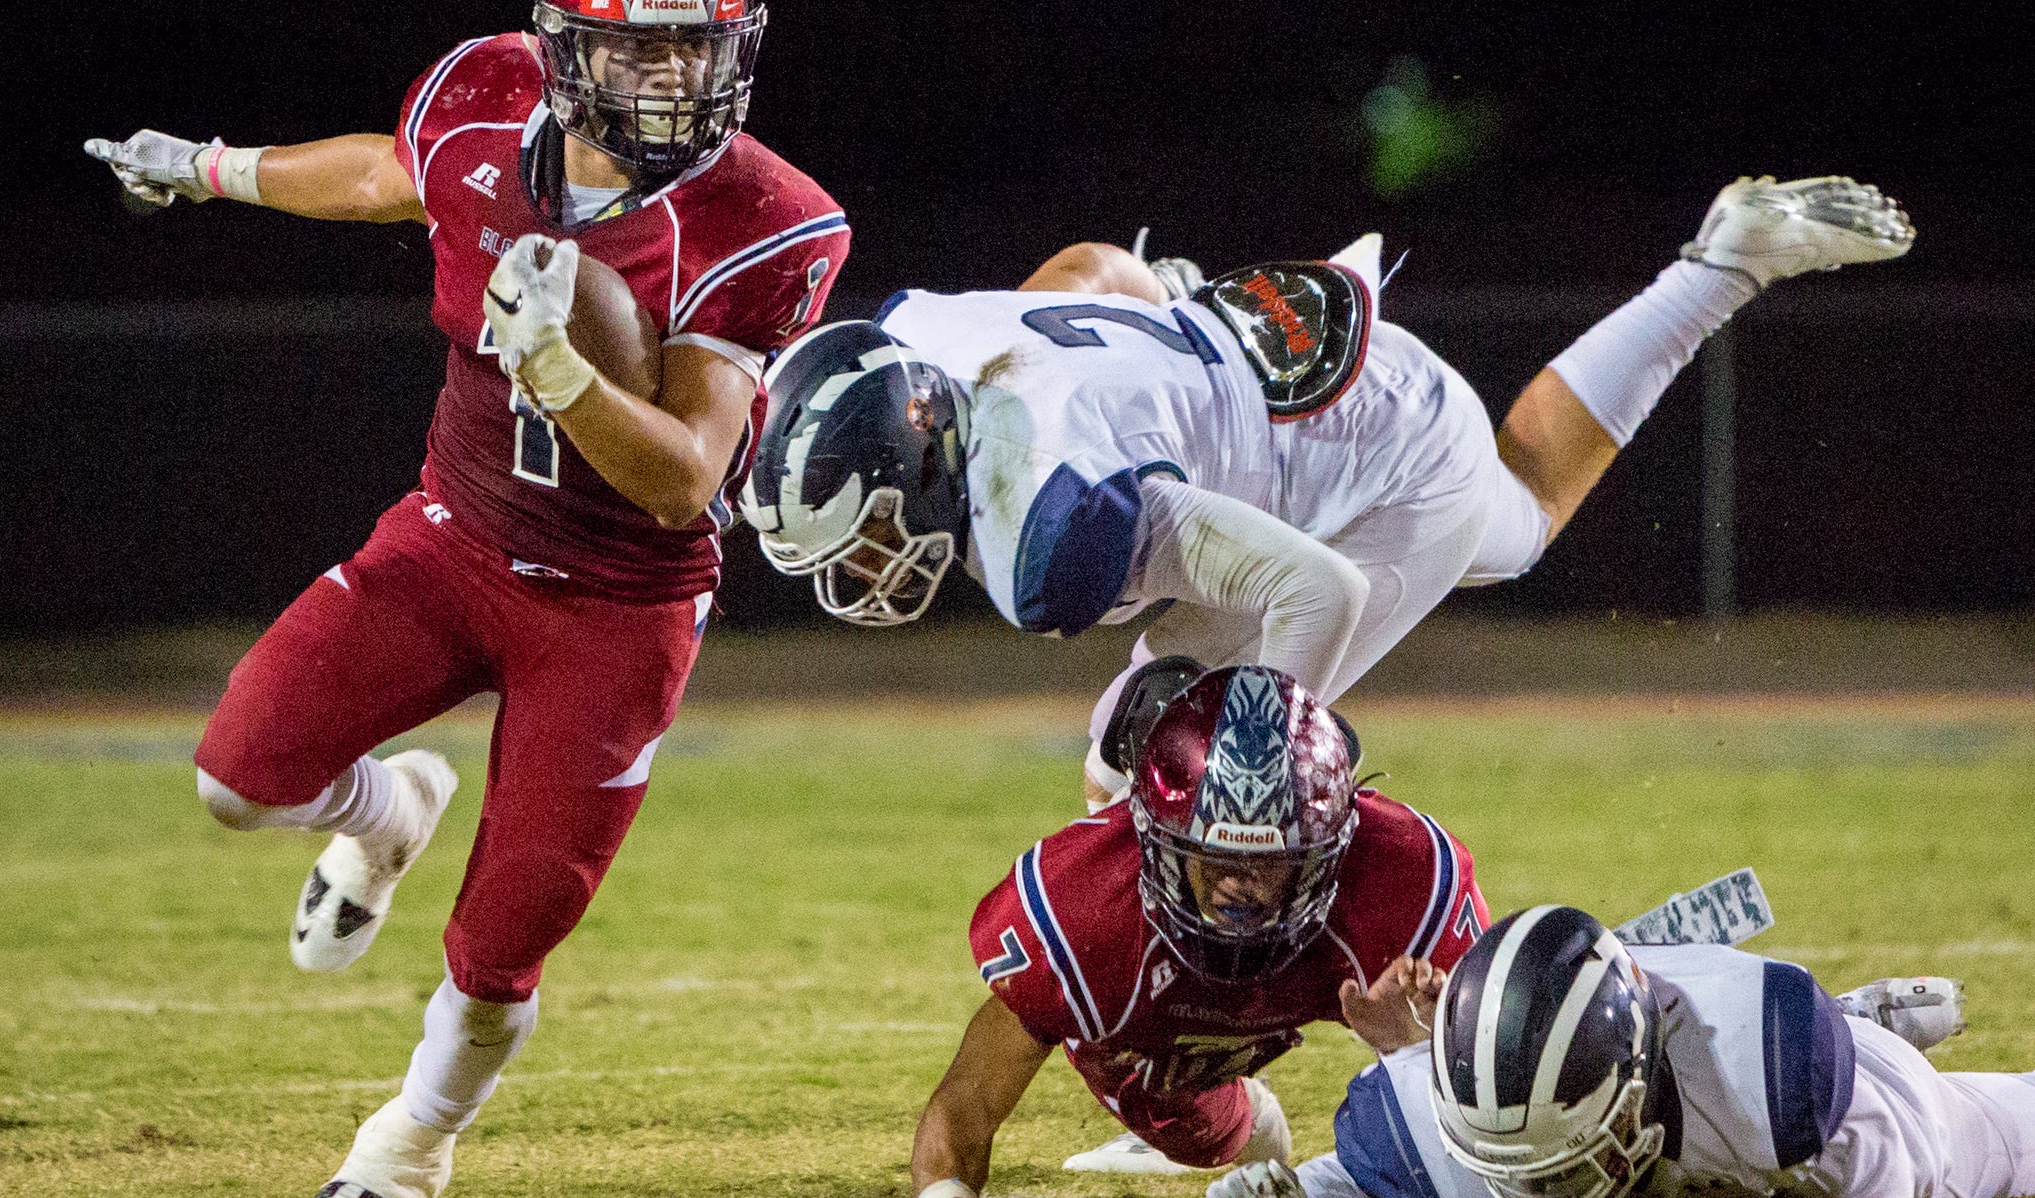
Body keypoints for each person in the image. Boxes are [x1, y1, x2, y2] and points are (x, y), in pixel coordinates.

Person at [84, 0, 848, 1198]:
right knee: (236, 781)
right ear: (561, 48)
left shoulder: (769, 220)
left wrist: (556, 370)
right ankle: (385, 814)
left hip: (620, 608)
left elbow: (682, 483)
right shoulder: (480, 98)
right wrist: (209, 166)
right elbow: (389, 176)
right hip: (456, 538)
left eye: (695, 41)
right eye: (639, 44)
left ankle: (403, 1152)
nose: (672, 73)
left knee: (504, 943)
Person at [743, 178, 1915, 811]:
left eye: (861, 544)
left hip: (1380, 450)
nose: (856, 577)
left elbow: (1319, 587)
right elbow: (1086, 271)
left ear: (919, 458)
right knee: (1130, 753)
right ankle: (1721, 264)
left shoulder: (1050, 525)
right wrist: (1161, 315)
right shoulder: (922, 336)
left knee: (1173, 779)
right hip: (1291, 363)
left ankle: (1206, 1093)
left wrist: (1258, 767)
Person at [902, 663, 1485, 1198]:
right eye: (1216, 858)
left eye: (1268, 862)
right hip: (1171, 1034)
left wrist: (1414, 1048)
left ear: (1332, 845)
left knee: (1447, 1055)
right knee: (1189, 1125)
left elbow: (1500, 1096)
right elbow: (972, 1092)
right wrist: (943, 1192)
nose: (1241, 888)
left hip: (1320, 967)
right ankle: (1247, 1116)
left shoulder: (1404, 874)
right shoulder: (1087, 908)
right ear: (1152, 838)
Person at [1199, 905, 2035, 1198]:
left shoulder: (1777, 1081)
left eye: (1569, 1166)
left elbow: (1887, 1184)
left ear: (1635, 1090)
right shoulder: (1474, 1109)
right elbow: (1385, 1173)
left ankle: (1861, 1026)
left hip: (1838, 1071)